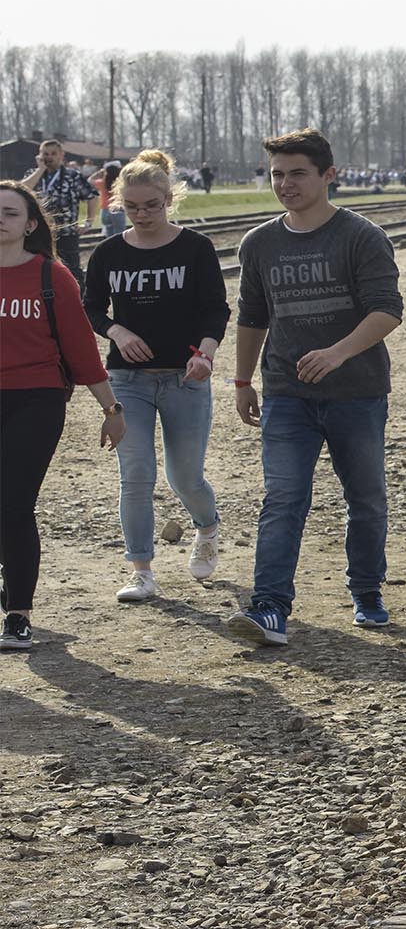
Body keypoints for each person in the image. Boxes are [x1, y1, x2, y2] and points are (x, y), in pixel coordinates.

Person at [227, 129, 403, 647]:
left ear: (329, 175)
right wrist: (242, 379)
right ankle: (270, 609)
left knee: (366, 499)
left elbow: (386, 310)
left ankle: (366, 590)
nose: (285, 184)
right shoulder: (259, 243)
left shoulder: (360, 236)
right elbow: (253, 317)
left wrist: (337, 352)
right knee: (283, 498)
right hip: (286, 393)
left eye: (297, 173)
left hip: (357, 391)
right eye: (277, 174)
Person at [82, 150, 230, 603]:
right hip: (128, 380)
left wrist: (206, 354)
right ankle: (141, 571)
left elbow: (215, 309)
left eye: (152, 205)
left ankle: (207, 527)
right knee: (137, 473)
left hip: (186, 378)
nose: (143, 214)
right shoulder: (109, 253)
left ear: (169, 199)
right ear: (118, 204)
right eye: (132, 207)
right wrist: (117, 329)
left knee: (185, 477)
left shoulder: (195, 248)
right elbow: (90, 308)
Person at [1, 181, 126, 650]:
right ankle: (10, 570)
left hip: (36, 400)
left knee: (13, 506)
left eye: (10, 213)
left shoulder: (52, 277)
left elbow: (81, 352)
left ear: (30, 225)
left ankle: (18, 614)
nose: (1, 220)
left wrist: (111, 408)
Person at [22, 138, 98, 285]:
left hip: (66, 233)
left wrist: (88, 222)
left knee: (72, 272)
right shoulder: (34, 174)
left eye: (53, 153)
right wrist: (40, 170)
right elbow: (21, 191)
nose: (49, 157)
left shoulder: (72, 176)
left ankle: (78, 304)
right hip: (37, 233)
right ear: (39, 156)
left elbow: (92, 197)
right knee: (38, 271)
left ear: (61, 155)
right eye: (45, 154)